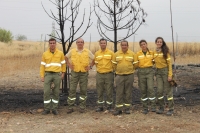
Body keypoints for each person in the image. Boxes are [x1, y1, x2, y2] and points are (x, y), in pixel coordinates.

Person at [65, 38, 94, 113]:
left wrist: (90, 66)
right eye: (78, 42)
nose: (80, 43)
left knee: (83, 90)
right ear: (76, 43)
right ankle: (70, 107)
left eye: (81, 42)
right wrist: (69, 65)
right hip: (75, 72)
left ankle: (82, 107)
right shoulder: (72, 51)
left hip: (84, 73)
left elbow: (94, 59)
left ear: (83, 43)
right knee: (72, 89)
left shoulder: (87, 51)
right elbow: (66, 57)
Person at [40, 38, 66, 115]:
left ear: (56, 44)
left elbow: (63, 64)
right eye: (50, 43)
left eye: (53, 43)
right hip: (48, 74)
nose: (52, 44)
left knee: (56, 92)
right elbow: (42, 66)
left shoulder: (60, 53)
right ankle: (47, 109)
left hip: (57, 74)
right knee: (46, 92)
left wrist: (63, 73)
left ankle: (54, 108)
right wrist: (42, 76)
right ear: (49, 44)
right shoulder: (45, 54)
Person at [112, 40, 136, 115]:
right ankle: (118, 109)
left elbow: (135, 65)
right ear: (121, 46)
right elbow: (114, 65)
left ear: (128, 46)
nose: (124, 46)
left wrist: (130, 70)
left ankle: (127, 108)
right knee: (119, 92)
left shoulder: (132, 54)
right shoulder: (116, 54)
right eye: (123, 45)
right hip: (119, 76)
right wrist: (118, 71)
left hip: (129, 75)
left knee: (128, 92)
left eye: (125, 45)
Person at [154, 37, 174, 116]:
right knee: (159, 90)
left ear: (162, 43)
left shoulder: (166, 51)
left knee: (168, 91)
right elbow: (152, 61)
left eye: (160, 42)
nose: (159, 43)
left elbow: (169, 64)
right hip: (158, 72)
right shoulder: (154, 52)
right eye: (158, 42)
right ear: (156, 43)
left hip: (165, 72)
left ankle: (171, 108)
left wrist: (170, 75)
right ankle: (161, 107)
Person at [93, 38, 115, 112]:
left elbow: (114, 64)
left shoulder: (111, 53)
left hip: (109, 74)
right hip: (100, 74)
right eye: (101, 43)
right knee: (100, 91)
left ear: (106, 44)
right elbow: (96, 63)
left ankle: (109, 106)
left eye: (104, 43)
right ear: (99, 44)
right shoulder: (97, 53)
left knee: (109, 91)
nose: (103, 44)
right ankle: (100, 106)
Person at [135, 40, 156, 114]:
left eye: (144, 44)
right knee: (143, 89)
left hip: (149, 71)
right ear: (140, 46)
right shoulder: (138, 54)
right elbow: (135, 64)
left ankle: (153, 106)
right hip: (141, 72)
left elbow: (154, 61)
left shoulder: (151, 53)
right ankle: (145, 107)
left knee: (150, 88)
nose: (143, 45)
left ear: (146, 44)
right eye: (141, 45)